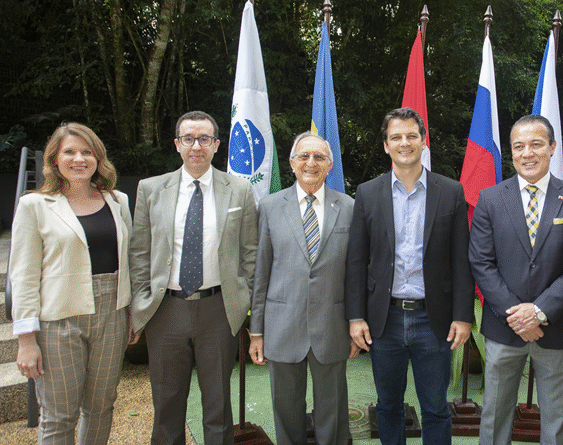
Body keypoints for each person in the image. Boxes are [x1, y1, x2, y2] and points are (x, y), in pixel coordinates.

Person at [345, 107, 474, 443]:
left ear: (423, 141)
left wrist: (463, 316)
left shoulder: (450, 191)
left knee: (436, 408)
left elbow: (461, 260)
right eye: (396, 137)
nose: (404, 142)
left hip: (434, 320)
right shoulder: (368, 193)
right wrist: (356, 317)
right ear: (386, 145)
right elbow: (356, 261)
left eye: (411, 136)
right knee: (388, 406)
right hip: (383, 320)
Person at [469, 115, 563, 445]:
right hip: (504, 327)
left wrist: (538, 312)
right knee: (494, 416)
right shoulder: (490, 199)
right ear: (511, 152)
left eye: (536, 144)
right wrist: (517, 315)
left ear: (552, 147)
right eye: (519, 146)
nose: (527, 153)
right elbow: (481, 263)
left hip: (557, 327)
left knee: (557, 421)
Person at [129, 110, 257, 445]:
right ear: (177, 144)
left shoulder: (239, 190)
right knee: (167, 402)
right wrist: (140, 303)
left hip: (218, 310)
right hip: (165, 311)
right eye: (188, 138)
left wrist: (246, 302)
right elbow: (139, 251)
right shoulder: (150, 189)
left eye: (204, 139)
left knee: (218, 403)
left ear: (216, 144)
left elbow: (250, 252)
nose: (196, 146)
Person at [11, 122, 135, 444]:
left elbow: (130, 261)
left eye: (86, 152)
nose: (79, 159)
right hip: (58, 321)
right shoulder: (34, 205)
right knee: (58, 415)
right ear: (54, 159)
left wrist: (133, 313)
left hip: (112, 315)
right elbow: (23, 275)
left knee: (101, 407)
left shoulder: (118, 200)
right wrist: (26, 340)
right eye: (70, 152)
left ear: (98, 158)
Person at [249, 132, 357, 445]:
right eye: (304, 156)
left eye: (319, 157)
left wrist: (355, 324)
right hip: (282, 326)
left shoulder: (349, 207)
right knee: (286, 409)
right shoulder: (270, 206)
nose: (311, 163)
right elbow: (261, 272)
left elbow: (355, 275)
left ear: (330, 165)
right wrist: (256, 332)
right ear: (292, 163)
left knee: (333, 412)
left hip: (332, 326)